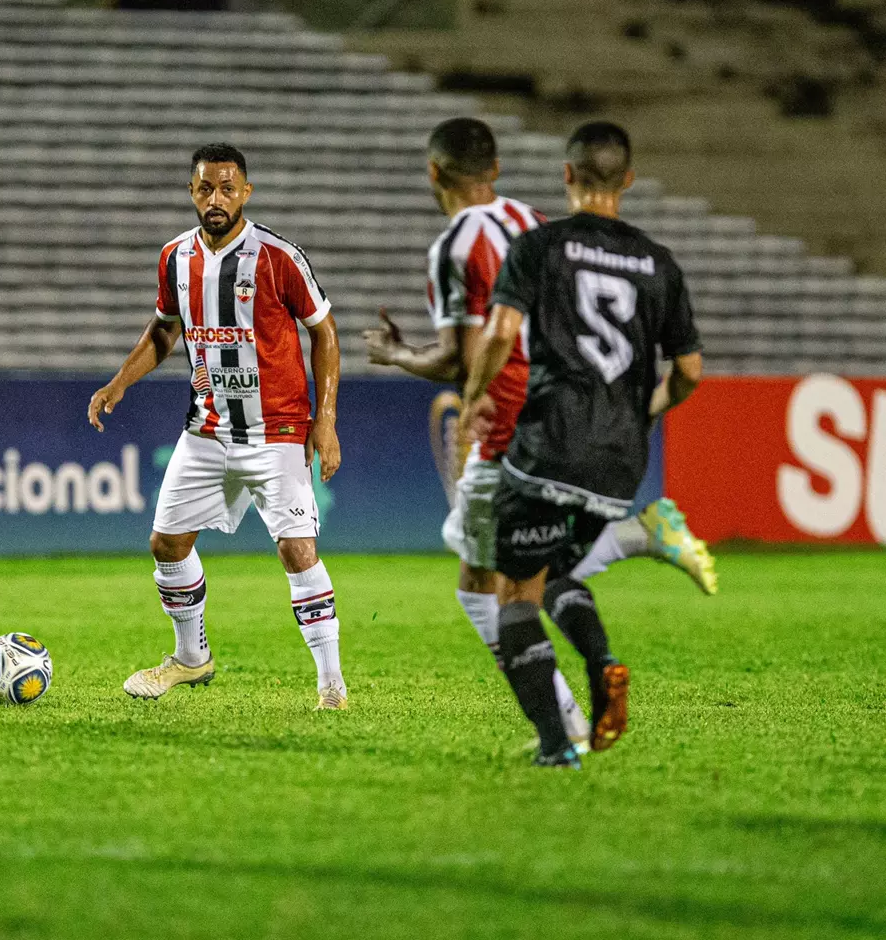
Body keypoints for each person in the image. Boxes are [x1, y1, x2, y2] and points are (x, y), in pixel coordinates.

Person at [363, 117, 717, 751]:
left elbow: (468, 353)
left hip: (521, 429)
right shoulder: (535, 222)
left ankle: (563, 728)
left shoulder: (464, 243)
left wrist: (399, 359)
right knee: (536, 565)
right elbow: (683, 366)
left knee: (491, 587)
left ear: (434, 174)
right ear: (496, 171)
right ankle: (632, 554)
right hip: (598, 431)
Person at [458, 122, 704, 767]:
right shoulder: (661, 264)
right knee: (561, 572)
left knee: (512, 593)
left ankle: (554, 744)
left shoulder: (541, 247)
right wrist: (644, 413)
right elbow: (689, 372)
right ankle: (601, 661)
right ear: (627, 180)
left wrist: (475, 397)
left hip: (549, 443)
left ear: (567, 176)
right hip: (620, 460)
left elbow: (503, 333)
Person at [87, 144, 346, 709]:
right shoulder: (175, 258)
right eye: (205, 188)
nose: (216, 198)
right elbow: (163, 332)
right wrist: (119, 382)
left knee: (298, 550)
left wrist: (323, 422)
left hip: (275, 432)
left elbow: (324, 333)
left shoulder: (278, 256)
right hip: (205, 431)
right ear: (192, 192)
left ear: (245, 193)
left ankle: (331, 685)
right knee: (167, 543)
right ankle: (190, 659)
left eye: (227, 188)